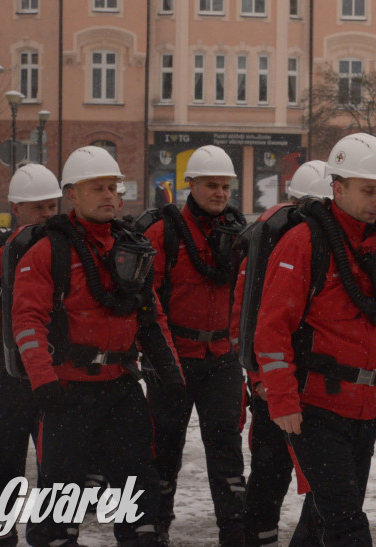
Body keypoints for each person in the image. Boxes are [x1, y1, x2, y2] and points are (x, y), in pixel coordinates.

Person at [254, 133, 376, 545]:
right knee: (346, 522)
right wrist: (283, 399)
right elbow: (271, 328)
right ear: (337, 188)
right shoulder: (305, 241)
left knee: (327, 516)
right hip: (316, 408)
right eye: (367, 190)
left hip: (368, 409)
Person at [12, 146, 185, 547]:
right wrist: (43, 381)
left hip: (121, 388)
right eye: (97, 188)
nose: (109, 195)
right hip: (67, 393)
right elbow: (27, 320)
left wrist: (171, 374)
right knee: (61, 499)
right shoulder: (48, 250)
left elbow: (152, 317)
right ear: (72, 194)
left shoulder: (131, 247)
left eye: (113, 187)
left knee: (138, 494)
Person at [143, 145, 247, 546]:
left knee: (226, 451)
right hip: (173, 359)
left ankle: (235, 533)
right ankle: (155, 528)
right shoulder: (163, 231)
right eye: (211, 185)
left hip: (221, 359)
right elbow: (146, 298)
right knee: (164, 449)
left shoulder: (239, 234)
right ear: (192, 184)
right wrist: (161, 357)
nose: (219, 193)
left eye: (225, 186)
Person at [238, 159, 329, 547]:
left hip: (310, 383)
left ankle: (277, 536)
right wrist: (262, 381)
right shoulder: (271, 249)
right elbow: (249, 319)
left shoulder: (318, 250)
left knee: (311, 476)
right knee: (272, 470)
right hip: (278, 382)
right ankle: (261, 536)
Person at [0, 164, 60, 546]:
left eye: (52, 208)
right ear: (17, 209)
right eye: (39, 209)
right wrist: (17, 247)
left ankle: (46, 534)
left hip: (51, 374)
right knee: (3, 466)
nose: (47, 217)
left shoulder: (62, 247)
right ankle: (0, 536)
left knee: (56, 464)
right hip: (4, 380)